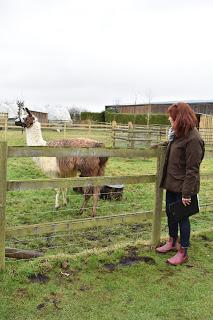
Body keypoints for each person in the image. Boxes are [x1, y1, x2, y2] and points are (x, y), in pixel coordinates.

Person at [156, 102, 205, 265]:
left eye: (172, 116)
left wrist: (186, 194)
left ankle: (183, 252)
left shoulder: (193, 139)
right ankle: (172, 241)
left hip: (184, 188)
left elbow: (192, 169)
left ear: (180, 118)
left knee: (183, 218)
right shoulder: (178, 134)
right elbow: (173, 150)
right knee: (171, 214)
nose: (169, 118)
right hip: (172, 184)